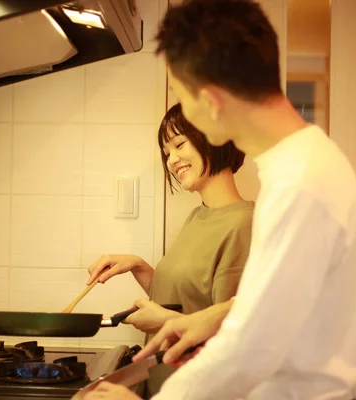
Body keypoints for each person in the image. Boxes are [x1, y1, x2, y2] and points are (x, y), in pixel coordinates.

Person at [80, 0, 356, 399]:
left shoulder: (299, 184)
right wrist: (217, 314)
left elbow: (254, 348)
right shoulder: (302, 165)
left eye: (184, 98)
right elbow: (274, 305)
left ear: (212, 99)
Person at [85, 102, 254, 397]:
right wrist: (139, 266)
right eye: (167, 153)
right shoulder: (198, 216)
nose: (172, 160)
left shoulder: (244, 224)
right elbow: (183, 301)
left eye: (179, 144)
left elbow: (234, 338)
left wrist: (162, 321)